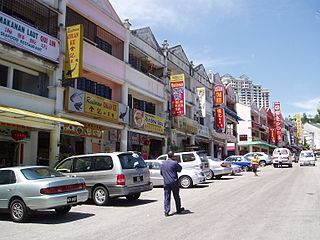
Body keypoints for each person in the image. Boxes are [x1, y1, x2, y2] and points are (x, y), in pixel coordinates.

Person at [160, 151, 184, 216]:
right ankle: (178, 209)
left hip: (166, 182)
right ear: (173, 156)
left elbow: (161, 173)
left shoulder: (163, 164)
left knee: (167, 197)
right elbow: (180, 169)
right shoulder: (174, 163)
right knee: (176, 196)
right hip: (174, 182)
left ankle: (166, 211)